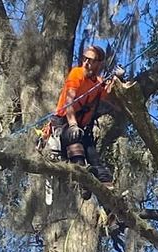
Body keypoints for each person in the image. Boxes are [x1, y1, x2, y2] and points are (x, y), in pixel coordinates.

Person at [51, 45, 124, 199]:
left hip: (81, 131)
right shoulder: (76, 74)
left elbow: (113, 100)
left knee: (96, 162)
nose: (85, 63)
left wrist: (118, 80)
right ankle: (82, 177)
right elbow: (69, 102)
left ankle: (113, 206)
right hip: (63, 127)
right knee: (74, 136)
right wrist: (73, 124)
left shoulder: (98, 83)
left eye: (90, 61)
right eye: (84, 59)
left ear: (99, 64)